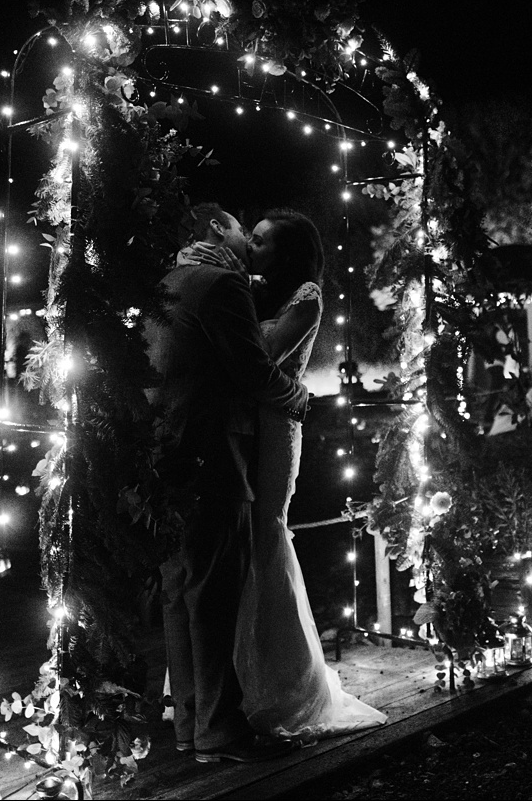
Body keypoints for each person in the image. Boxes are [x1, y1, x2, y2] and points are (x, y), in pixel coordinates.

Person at [143, 203, 309, 764]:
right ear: (218, 229)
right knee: (213, 595)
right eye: (243, 228)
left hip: (162, 453)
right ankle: (219, 731)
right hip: (212, 450)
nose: (246, 239)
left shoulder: (167, 278)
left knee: (178, 593)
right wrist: (299, 399)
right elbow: (251, 370)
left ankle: (189, 725)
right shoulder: (218, 284)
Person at [229, 208, 387, 739]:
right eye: (250, 237)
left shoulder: (306, 297)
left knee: (267, 532)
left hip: (275, 427)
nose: (250, 246)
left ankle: (283, 684)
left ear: (287, 253)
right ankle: (235, 678)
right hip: (240, 426)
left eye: (262, 241)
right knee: (238, 540)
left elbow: (264, 358)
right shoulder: (247, 289)